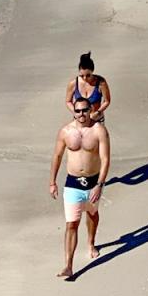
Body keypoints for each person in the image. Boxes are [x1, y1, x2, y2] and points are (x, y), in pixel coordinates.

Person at [49, 99, 111, 278]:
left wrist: (100, 185)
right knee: (71, 224)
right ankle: (68, 265)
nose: (81, 114)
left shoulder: (99, 130)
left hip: (93, 182)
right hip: (73, 183)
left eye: (85, 110)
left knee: (92, 214)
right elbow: (57, 156)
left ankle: (91, 243)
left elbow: (105, 159)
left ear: (91, 109)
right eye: (78, 111)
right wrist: (52, 182)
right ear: (73, 112)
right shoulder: (66, 131)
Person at [66, 51, 111, 123]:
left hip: (96, 119)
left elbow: (107, 101)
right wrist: (75, 113)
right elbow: (68, 101)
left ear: (92, 71)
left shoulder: (101, 83)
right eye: (81, 75)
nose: (85, 78)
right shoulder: (74, 83)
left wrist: (98, 112)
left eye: (88, 75)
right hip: (79, 120)